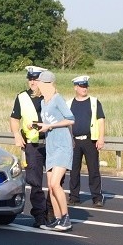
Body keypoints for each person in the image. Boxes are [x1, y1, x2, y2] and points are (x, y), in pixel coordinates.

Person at [9, 66, 51, 227]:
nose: (32, 82)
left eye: (36, 79)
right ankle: (39, 215)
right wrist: (17, 135)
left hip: (52, 142)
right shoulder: (22, 97)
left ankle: (52, 210)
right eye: (30, 79)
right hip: (33, 144)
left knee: (56, 182)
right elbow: (14, 118)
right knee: (35, 182)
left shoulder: (51, 96)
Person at [34, 70, 75, 231]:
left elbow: (70, 119)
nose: (36, 84)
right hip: (51, 147)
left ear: (47, 83)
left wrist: (50, 125)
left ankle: (66, 218)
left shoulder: (58, 99)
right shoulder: (44, 102)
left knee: (55, 183)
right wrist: (39, 127)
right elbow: (47, 124)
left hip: (62, 146)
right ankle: (57, 219)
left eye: (39, 82)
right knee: (50, 186)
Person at [68, 75, 106, 207]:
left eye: (86, 86)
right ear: (76, 88)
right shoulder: (69, 103)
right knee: (73, 170)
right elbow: (66, 123)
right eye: (82, 86)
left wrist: (101, 137)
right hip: (74, 142)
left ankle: (97, 197)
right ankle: (74, 197)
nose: (84, 89)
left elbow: (101, 120)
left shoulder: (94, 102)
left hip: (90, 140)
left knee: (94, 170)